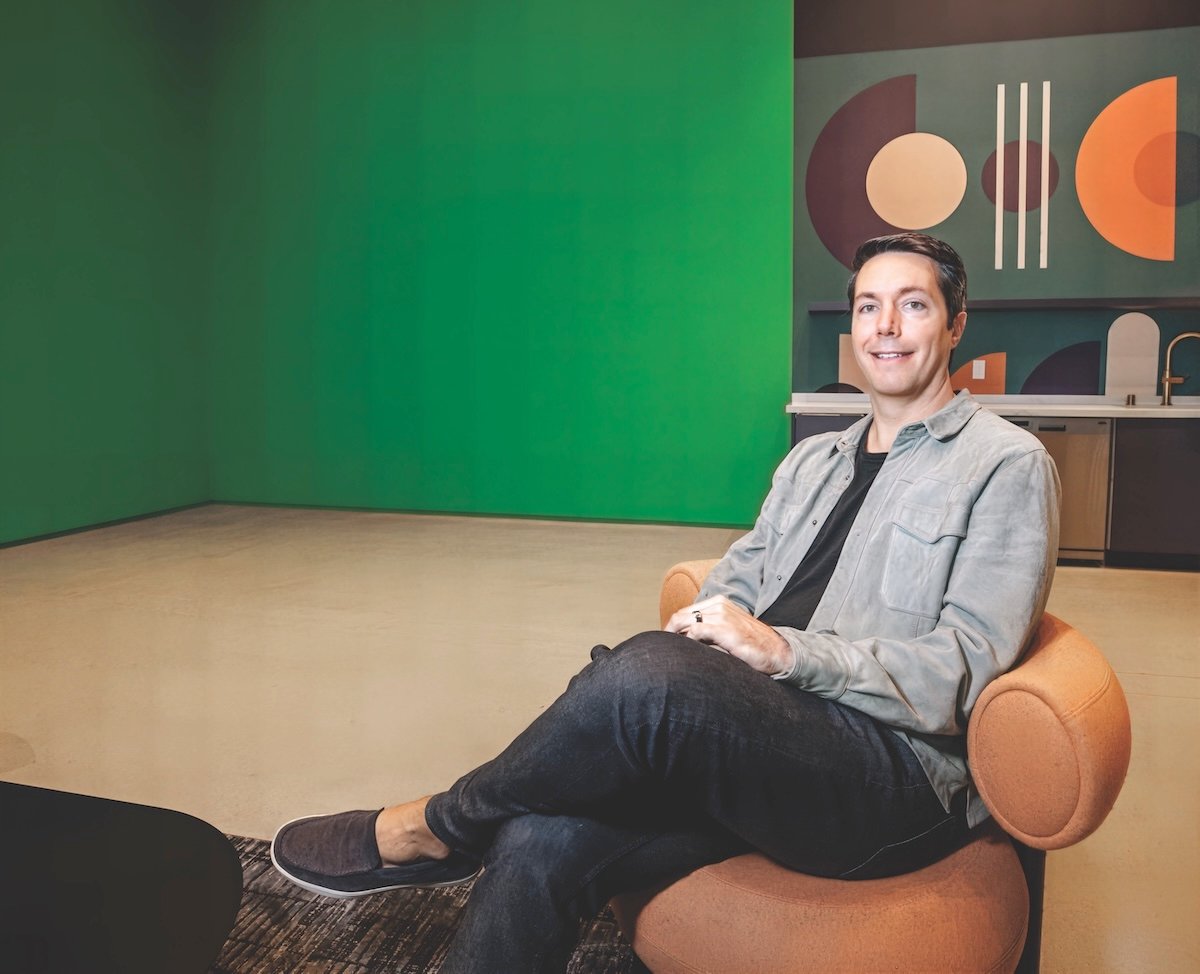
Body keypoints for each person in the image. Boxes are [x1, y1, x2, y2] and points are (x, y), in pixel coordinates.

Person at [271, 233, 1061, 972]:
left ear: (955, 324)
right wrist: (714, 651)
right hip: (762, 741)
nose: (885, 327)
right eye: (868, 306)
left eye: (913, 305)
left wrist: (785, 654)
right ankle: (497, 809)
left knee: (645, 673)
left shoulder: (1006, 465)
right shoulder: (812, 462)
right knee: (541, 835)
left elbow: (962, 670)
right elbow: (739, 579)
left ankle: (437, 827)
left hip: (893, 779)